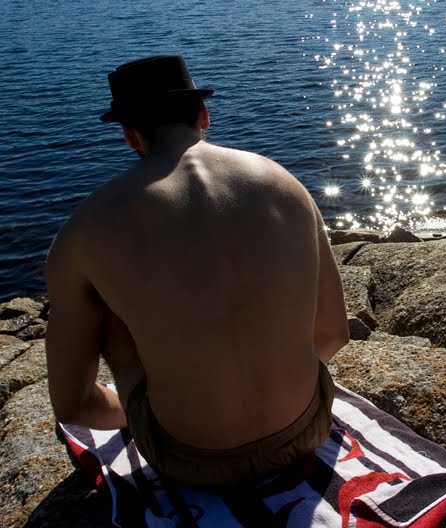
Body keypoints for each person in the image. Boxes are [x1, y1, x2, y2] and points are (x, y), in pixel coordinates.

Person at [44, 55, 349, 488]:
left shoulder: (85, 229)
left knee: (105, 296)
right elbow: (334, 334)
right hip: (308, 428)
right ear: (203, 114)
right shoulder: (285, 185)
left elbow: (73, 405)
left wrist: (138, 414)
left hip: (187, 460)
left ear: (130, 136)